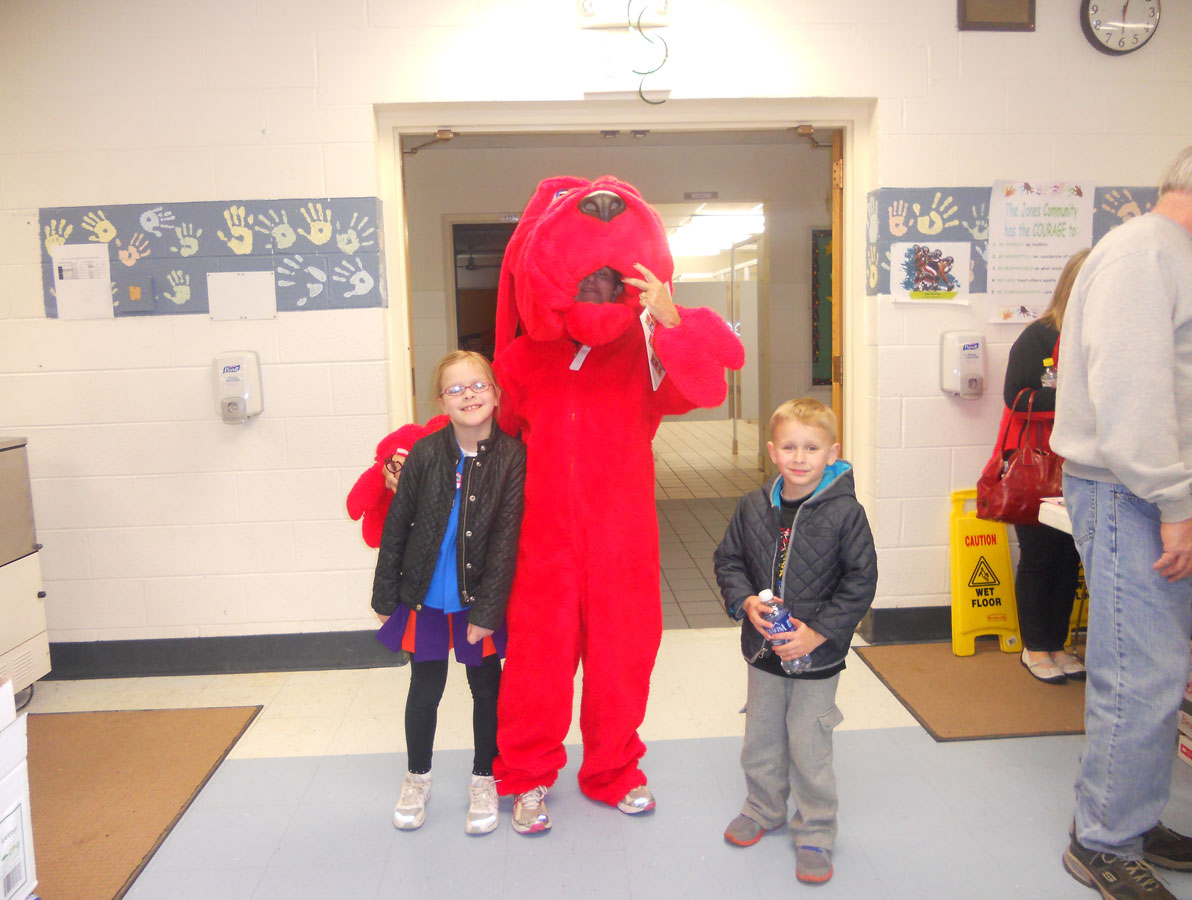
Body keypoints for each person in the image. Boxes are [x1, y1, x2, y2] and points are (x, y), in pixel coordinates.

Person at [490, 175, 743, 834]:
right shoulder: (522, 359)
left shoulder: (646, 350)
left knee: (622, 656)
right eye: (586, 282)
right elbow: (486, 440)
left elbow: (704, 389)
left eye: (609, 282)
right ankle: (526, 775)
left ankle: (611, 769)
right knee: (537, 665)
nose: (596, 294)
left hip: (622, 536)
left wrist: (668, 318)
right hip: (541, 541)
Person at [1052, 146, 1192, 899]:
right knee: (1141, 674)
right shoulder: (1144, 253)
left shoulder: (1166, 253)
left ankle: (1131, 816)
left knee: (1160, 671)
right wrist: (1176, 503)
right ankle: (1103, 839)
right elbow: (1133, 394)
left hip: (1155, 493)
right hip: (1131, 494)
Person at [713, 398, 877, 885]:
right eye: (789, 447)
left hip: (817, 657)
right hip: (763, 654)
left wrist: (818, 633)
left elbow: (860, 582)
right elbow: (728, 561)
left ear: (833, 452)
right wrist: (744, 602)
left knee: (809, 742)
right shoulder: (752, 506)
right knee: (761, 737)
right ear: (772, 450)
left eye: (811, 447)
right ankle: (764, 808)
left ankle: (816, 831)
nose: (800, 457)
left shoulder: (846, 514)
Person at [371, 350, 526, 835]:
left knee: (486, 689)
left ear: (496, 394)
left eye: (478, 386)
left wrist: (488, 609)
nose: (469, 396)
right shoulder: (425, 452)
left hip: (478, 600)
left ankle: (485, 776)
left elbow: (506, 539)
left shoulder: (513, 456)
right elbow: (398, 524)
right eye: (456, 389)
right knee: (425, 688)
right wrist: (384, 597)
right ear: (442, 401)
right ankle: (417, 776)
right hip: (425, 596)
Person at [1003, 250, 1089, 684]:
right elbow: (1015, 398)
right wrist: (1075, 398)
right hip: (1038, 466)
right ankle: (1035, 647)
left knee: (1071, 557)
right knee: (1038, 556)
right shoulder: (1038, 336)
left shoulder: (1103, 336)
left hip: (1085, 465)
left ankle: (1057, 644)